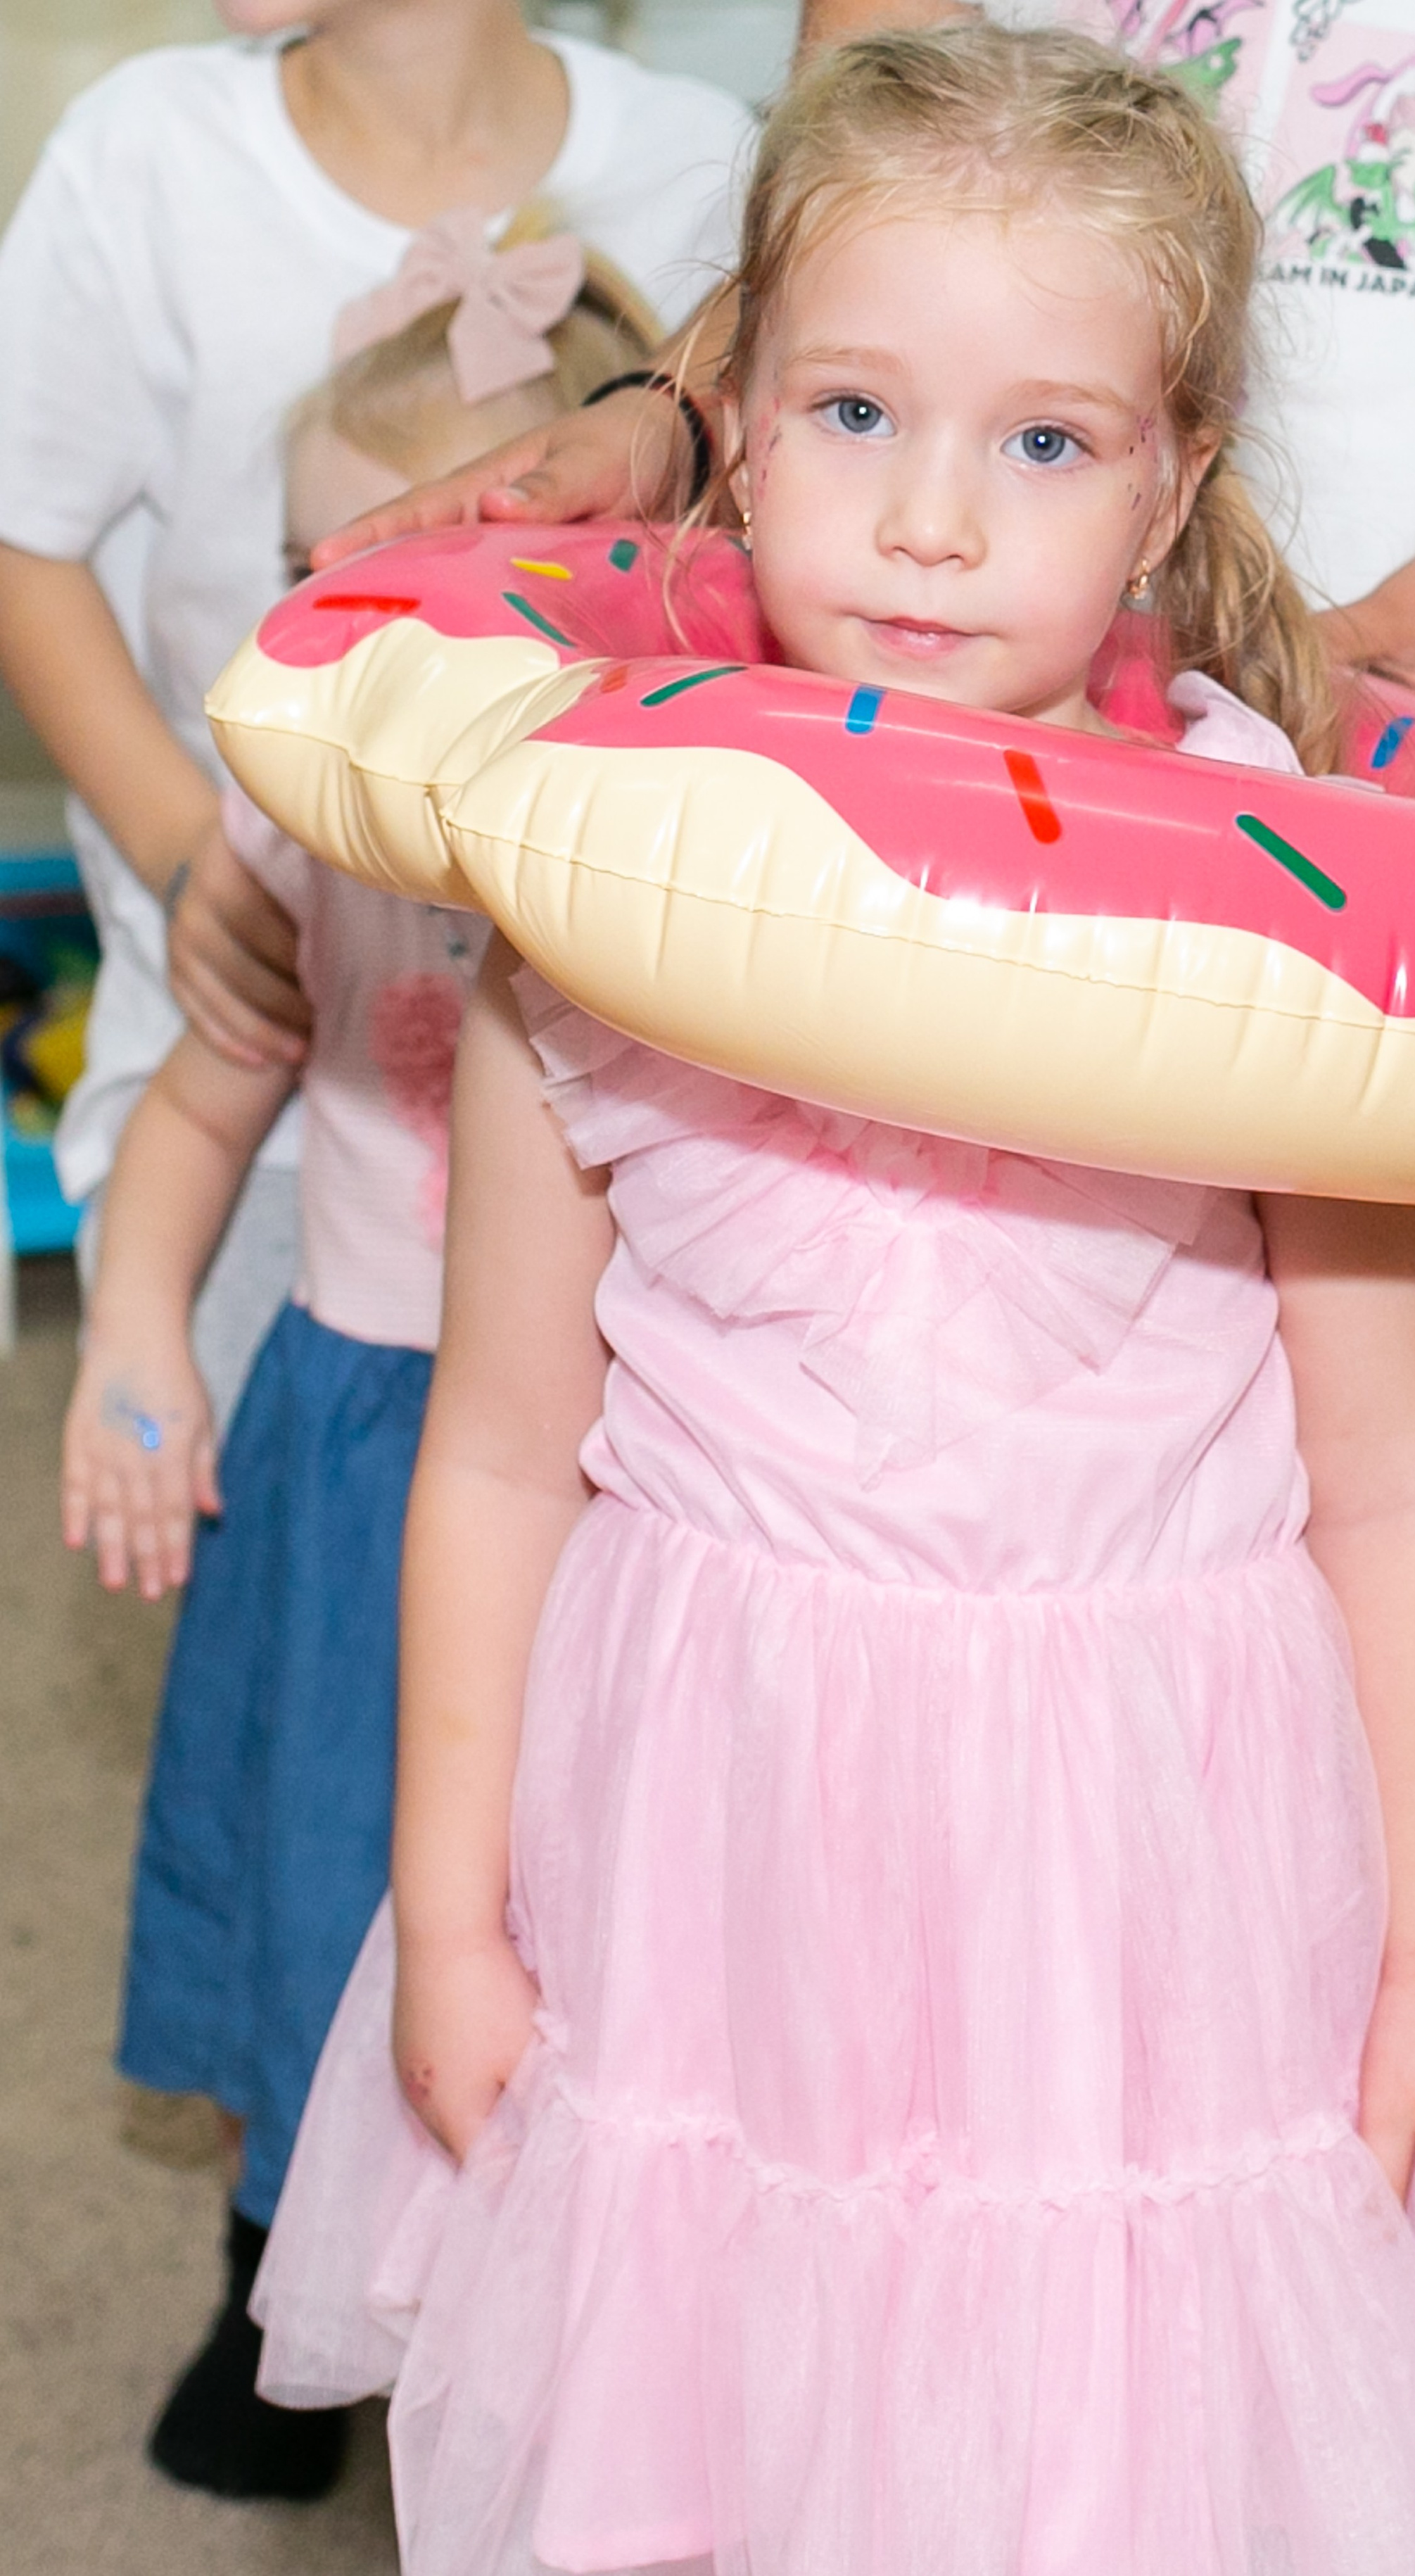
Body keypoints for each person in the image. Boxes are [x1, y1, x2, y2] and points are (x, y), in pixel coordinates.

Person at [321, 8, 1415, 2568]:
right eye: (858, 413)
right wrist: (449, 1908)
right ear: (738, 419)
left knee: (1120, 2440)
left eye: (1041, 441)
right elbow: (493, 1446)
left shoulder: (1286, 923)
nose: (923, 521)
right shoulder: (605, 873)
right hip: (724, 1833)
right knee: (740, 2415)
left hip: (1146, 1865)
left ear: (1171, 484)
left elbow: (1404, 1500)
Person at [56, 238, 649, 2503]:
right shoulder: (298, 839)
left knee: (578, 1921)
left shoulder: (679, 863)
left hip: (598, 1494)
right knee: (313, 1886)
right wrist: (130, 1343)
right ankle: (267, 2265)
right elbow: (208, 1108)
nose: (342, 640)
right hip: (348, 1446)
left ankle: (561, 2299)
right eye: (315, 578)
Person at [0, 0, 749, 1427]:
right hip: (246, 1072)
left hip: (619, 1117)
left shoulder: (696, 158)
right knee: (275, 1571)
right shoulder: (144, 154)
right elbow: (21, 543)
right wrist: (190, 860)